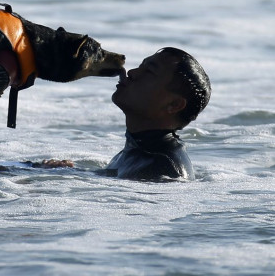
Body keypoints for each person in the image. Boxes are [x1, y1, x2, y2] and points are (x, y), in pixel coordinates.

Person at [40, 47, 211, 181]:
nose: (132, 72)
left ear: (173, 105)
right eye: (140, 66)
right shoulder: (140, 150)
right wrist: (69, 172)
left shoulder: (163, 169)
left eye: (149, 72)